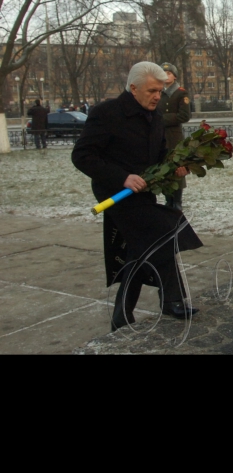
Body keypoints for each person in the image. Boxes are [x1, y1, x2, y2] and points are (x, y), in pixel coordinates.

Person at [72, 62, 202, 331]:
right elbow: (82, 156)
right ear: (133, 88)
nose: (158, 96)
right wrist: (122, 177)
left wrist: (174, 166)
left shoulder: (153, 115)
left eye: (161, 90)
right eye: (153, 90)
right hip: (116, 194)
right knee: (163, 231)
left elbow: (159, 154)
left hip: (144, 192)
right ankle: (169, 300)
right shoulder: (106, 113)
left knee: (142, 248)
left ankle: (126, 313)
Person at [157, 63, 191, 211]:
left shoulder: (180, 93)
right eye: (163, 73)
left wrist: (162, 119)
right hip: (160, 135)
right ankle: (168, 199)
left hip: (174, 137)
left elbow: (184, 115)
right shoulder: (158, 92)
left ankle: (177, 200)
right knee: (164, 167)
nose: (166, 76)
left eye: (169, 73)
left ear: (175, 76)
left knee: (177, 167)